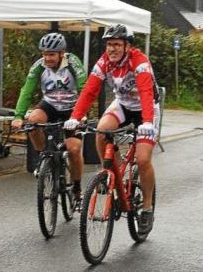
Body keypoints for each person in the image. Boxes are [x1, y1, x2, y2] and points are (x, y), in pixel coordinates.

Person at [65, 24, 159, 236]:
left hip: (147, 108)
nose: (112, 49)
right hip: (124, 104)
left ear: (127, 46)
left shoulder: (139, 61)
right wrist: (75, 117)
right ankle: (111, 174)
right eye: (109, 45)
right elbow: (89, 91)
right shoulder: (104, 62)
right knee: (101, 131)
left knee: (143, 159)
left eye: (117, 44)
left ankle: (146, 208)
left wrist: (147, 122)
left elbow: (145, 92)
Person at [11, 33, 88, 202]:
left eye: (51, 54)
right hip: (50, 105)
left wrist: (80, 115)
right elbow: (27, 90)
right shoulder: (39, 66)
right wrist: (18, 115)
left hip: (72, 109)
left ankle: (76, 187)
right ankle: (43, 157)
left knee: (74, 149)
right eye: (44, 54)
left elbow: (84, 87)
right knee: (32, 121)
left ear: (62, 53)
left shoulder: (73, 63)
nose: (47, 58)